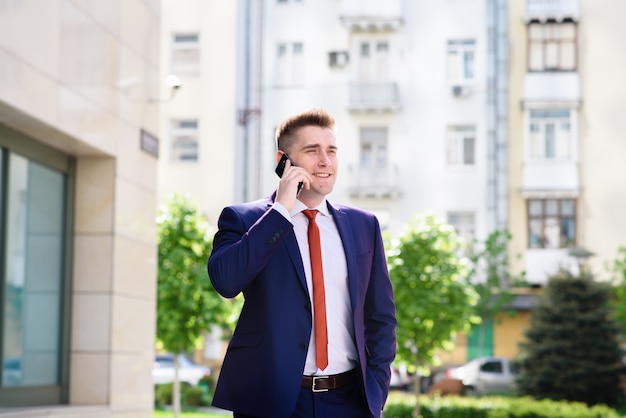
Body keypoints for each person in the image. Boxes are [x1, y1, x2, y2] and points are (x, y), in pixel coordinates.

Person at [207, 108, 397, 418]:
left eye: (331, 151)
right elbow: (226, 281)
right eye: (312, 151)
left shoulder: (364, 225)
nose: (325, 161)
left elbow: (381, 316)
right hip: (271, 401)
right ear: (284, 159)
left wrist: (376, 386)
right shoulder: (244, 220)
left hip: (349, 400)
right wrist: (281, 210)